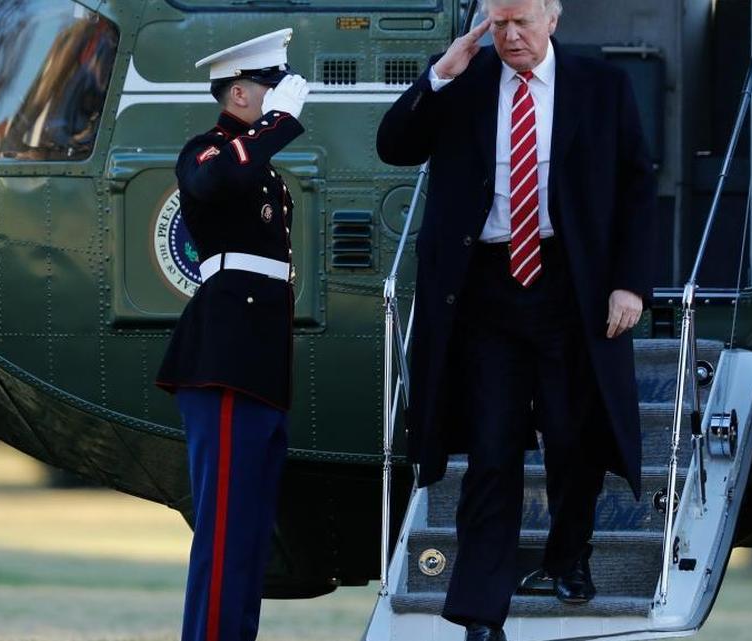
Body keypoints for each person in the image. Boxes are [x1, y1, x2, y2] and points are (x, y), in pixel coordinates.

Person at [376, 0, 657, 638]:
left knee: (570, 434)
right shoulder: (463, 79)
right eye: (498, 23)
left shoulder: (601, 85)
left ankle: (568, 555)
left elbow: (637, 187)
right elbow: (394, 146)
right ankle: (479, 612)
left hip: (570, 285)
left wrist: (630, 285)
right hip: (485, 291)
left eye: (522, 22)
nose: (509, 36)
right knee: (492, 449)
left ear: (552, 19)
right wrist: (438, 76)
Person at [154, 28, 309, 641]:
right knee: (222, 529)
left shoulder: (256, 163)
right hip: (223, 356)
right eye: (269, 88)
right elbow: (216, 184)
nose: (281, 100)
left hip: (260, 358)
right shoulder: (208, 151)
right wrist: (277, 127)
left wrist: (268, 135)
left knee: (248, 529)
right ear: (241, 92)